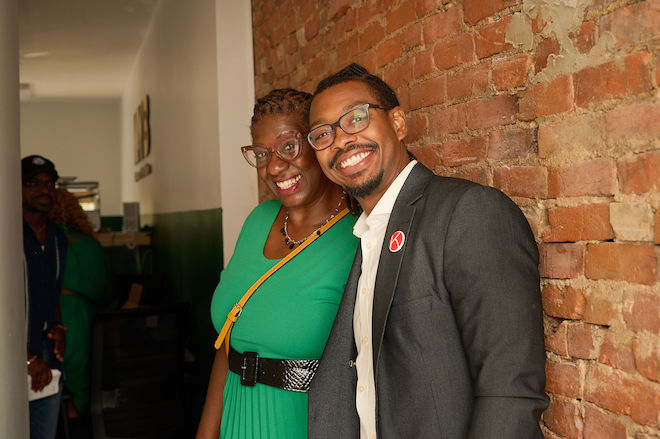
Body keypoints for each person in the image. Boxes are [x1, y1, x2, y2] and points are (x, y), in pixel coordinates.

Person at [306, 64, 549, 439]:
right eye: (323, 134)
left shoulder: (469, 212)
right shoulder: (368, 235)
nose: (340, 140)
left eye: (356, 118)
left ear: (398, 123)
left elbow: (509, 392)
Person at [196, 88, 359, 439]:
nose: (273, 167)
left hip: (305, 425)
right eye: (261, 154)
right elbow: (228, 343)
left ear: (319, 142)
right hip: (235, 423)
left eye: (289, 146)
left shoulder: (358, 235)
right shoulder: (258, 220)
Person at [49, 188, 107, 434]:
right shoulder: (88, 246)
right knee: (78, 390)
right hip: (80, 320)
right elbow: (104, 293)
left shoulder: (40, 242)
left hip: (45, 320)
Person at [22, 155, 68, 439]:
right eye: (33, 183)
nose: (44, 190)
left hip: (47, 353)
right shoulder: (7, 233)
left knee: (43, 433)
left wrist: (59, 327)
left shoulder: (56, 236)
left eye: (50, 183)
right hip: (14, 355)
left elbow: (53, 291)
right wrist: (25, 359)